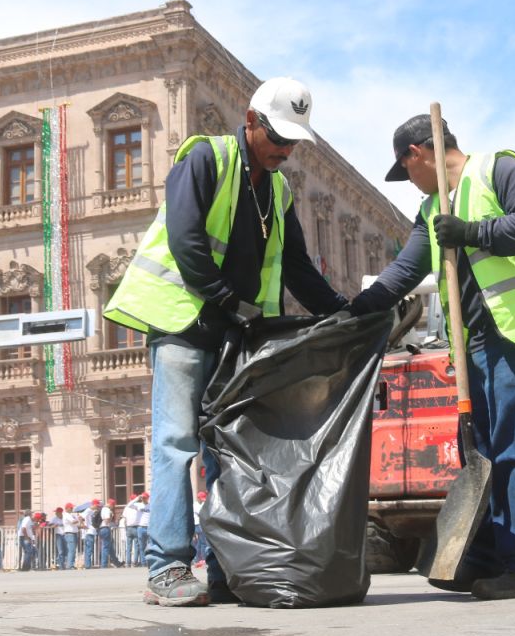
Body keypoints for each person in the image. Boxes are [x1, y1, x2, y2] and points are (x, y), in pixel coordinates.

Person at [103, 77, 350, 608]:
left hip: (236, 336)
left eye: (293, 141)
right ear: (251, 120)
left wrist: (346, 312)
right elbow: (185, 240)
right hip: (183, 325)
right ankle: (166, 567)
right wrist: (226, 301)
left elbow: (300, 271)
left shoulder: (279, 191)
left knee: (229, 452)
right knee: (176, 444)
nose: (284, 149)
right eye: (277, 136)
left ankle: (222, 569)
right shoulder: (206, 160)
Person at [349, 114, 515, 600]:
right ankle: (492, 556)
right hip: (476, 346)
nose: (411, 184)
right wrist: (350, 309)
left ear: (417, 154)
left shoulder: (498, 168)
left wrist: (472, 232)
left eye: (406, 171)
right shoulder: (433, 209)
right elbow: (402, 272)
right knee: (481, 454)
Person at [122, 495, 145, 567]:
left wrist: (126, 528)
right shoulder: (138, 506)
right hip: (135, 527)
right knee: (136, 546)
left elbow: (124, 519)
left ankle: (128, 562)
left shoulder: (127, 507)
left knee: (128, 546)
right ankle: (135, 562)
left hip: (128, 527)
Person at [60, 502, 80, 570]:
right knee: (71, 550)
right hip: (70, 534)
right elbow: (73, 522)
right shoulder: (66, 515)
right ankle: (70, 565)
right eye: (71, 507)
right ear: (67, 508)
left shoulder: (70, 515)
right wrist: (78, 519)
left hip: (73, 533)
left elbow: (75, 523)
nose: (72, 508)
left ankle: (71, 564)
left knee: (73, 550)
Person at [99, 498, 117, 568]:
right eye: (113, 505)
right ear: (111, 504)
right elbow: (106, 520)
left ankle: (116, 562)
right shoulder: (107, 510)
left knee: (109, 547)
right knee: (106, 547)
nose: (113, 507)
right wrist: (111, 517)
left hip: (102, 528)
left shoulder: (103, 509)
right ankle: (104, 564)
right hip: (105, 528)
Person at [84, 499, 101, 569]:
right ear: (94, 505)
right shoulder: (88, 510)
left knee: (90, 549)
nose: (97, 507)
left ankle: (89, 564)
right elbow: (81, 517)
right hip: (89, 532)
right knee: (89, 549)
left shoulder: (92, 511)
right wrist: (84, 525)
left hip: (92, 532)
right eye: (97, 505)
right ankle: (87, 565)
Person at [136, 494, 151, 567]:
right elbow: (129, 506)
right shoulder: (138, 505)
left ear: (147, 498)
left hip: (148, 527)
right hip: (141, 527)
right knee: (142, 546)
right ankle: (143, 562)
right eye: (143, 498)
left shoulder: (150, 505)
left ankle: (149, 561)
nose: (143, 499)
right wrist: (137, 498)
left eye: (145, 498)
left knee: (150, 546)